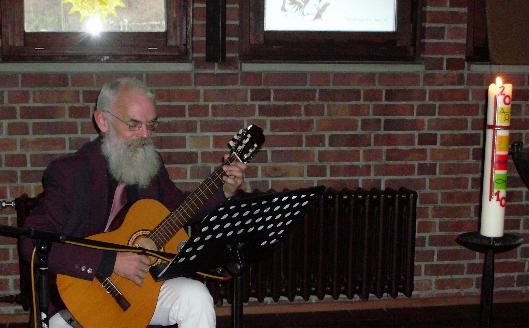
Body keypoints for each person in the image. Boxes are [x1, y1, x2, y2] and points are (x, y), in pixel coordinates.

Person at [20, 77, 247, 327]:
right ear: (103, 121)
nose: (145, 135)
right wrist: (110, 262)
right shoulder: (70, 173)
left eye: (151, 125)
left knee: (195, 296)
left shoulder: (150, 164)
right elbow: (32, 242)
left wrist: (223, 190)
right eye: (133, 125)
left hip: (137, 290)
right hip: (80, 299)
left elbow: (180, 211)